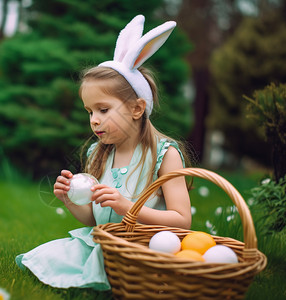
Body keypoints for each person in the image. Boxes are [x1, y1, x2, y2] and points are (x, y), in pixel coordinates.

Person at [15, 15, 192, 291]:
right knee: (47, 256)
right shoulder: (100, 153)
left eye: (103, 110)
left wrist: (127, 207)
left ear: (136, 109)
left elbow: (182, 221)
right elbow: (94, 219)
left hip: (143, 249)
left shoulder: (164, 154)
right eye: (89, 112)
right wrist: (71, 200)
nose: (94, 120)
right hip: (102, 241)